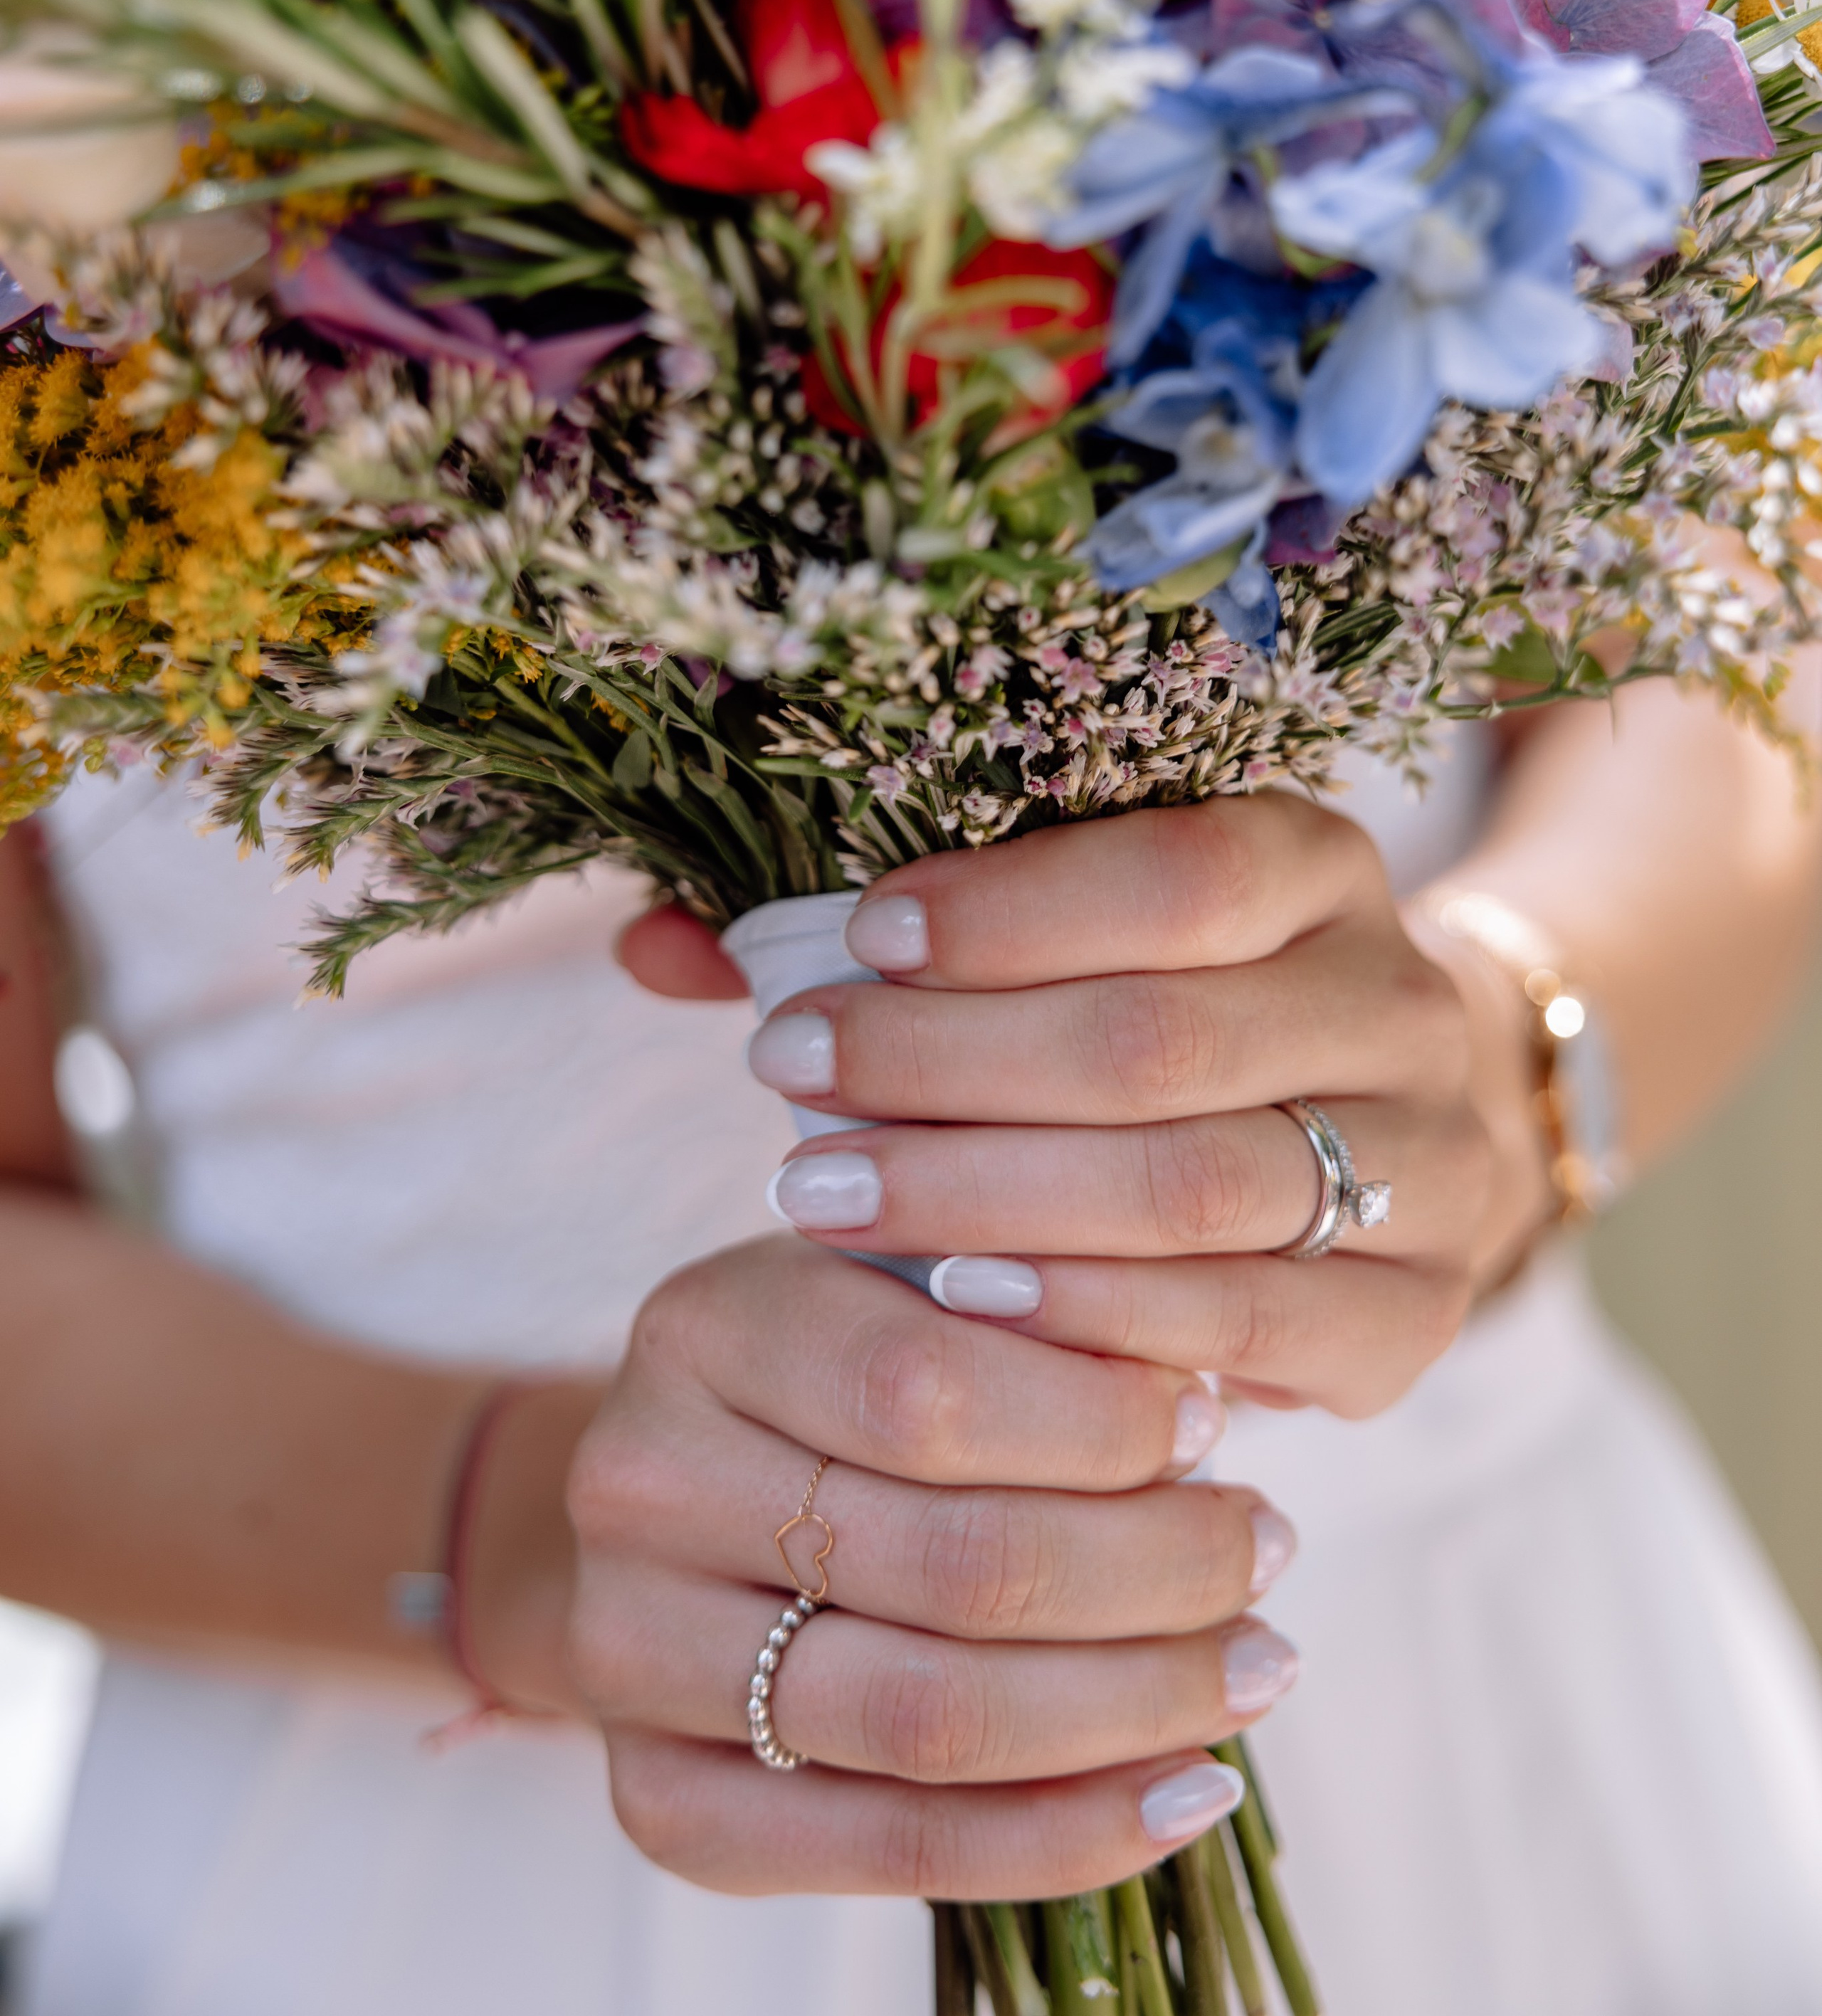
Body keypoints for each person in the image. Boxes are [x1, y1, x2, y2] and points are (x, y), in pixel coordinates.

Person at [1, 670, 1819, 2015]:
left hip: (1461, 1678)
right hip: (410, 1828)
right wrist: (519, 1530)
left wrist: (1492, 1060)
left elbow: (1719, 663)